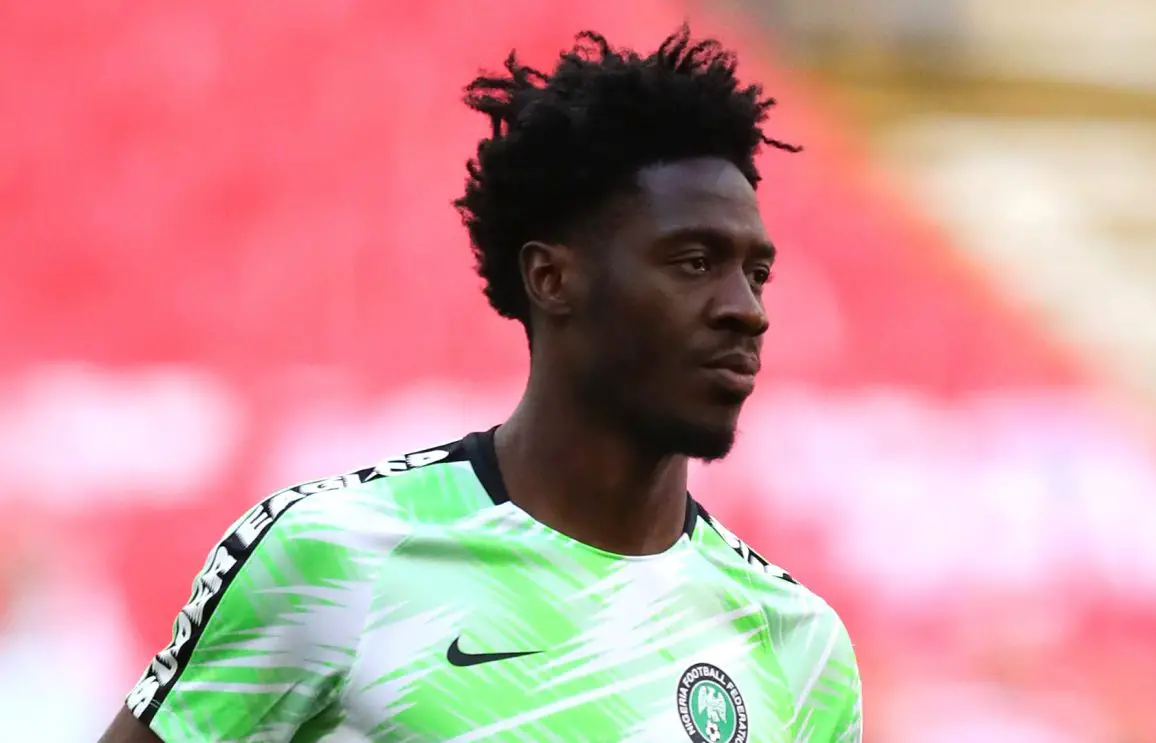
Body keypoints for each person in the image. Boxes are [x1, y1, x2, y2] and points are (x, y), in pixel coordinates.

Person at [100, 26, 862, 742]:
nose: (747, 309)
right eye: (694, 262)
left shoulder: (796, 644)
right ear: (552, 278)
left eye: (756, 273)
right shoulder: (336, 554)